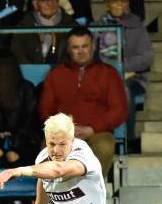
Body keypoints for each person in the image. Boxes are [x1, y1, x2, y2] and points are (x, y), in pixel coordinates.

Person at [38, 26, 128, 178]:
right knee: (49, 150)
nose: (81, 51)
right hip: (62, 134)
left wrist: (93, 128)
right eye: (75, 47)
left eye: (85, 46)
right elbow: (45, 109)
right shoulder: (56, 74)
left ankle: (86, 192)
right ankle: (61, 196)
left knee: (105, 147)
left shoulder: (108, 73)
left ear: (93, 47)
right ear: (68, 49)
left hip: (98, 133)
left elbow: (119, 110)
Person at [96, 0, 152, 149]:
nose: (120, 4)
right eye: (115, 0)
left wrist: (123, 68)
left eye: (123, 0)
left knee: (124, 90)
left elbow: (146, 57)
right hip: (106, 79)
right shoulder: (98, 27)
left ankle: (127, 140)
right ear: (107, 3)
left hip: (133, 78)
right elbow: (98, 57)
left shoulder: (137, 24)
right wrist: (117, 70)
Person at [0, 49, 41, 171]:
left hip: (23, 146)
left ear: (2, 68)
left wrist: (15, 148)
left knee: (16, 158)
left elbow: (31, 126)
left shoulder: (27, 90)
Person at [10, 0, 75, 65]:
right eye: (45, 0)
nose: (50, 4)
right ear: (35, 4)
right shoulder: (24, 25)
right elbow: (18, 54)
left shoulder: (70, 25)